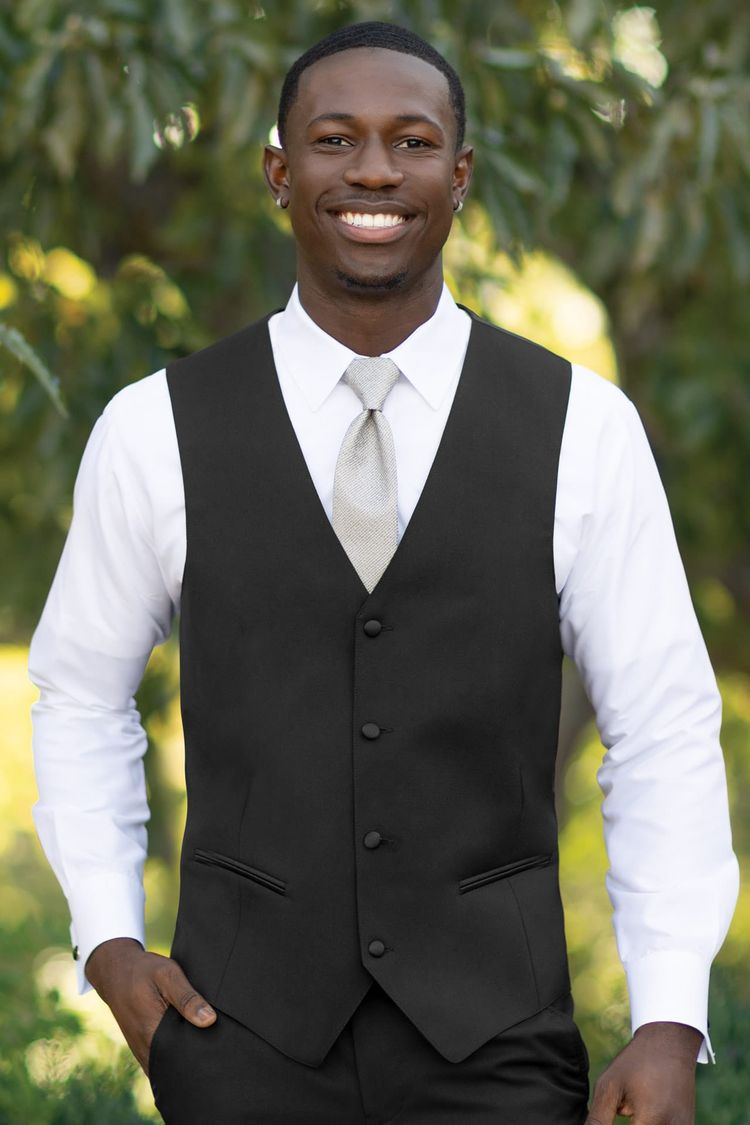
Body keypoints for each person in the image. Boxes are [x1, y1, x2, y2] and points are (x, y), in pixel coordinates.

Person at [28, 20, 738, 1125]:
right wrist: (110, 944)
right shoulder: (153, 431)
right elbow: (77, 692)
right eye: (333, 138)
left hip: (497, 1050)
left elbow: (664, 726)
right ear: (279, 171)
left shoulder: (583, 430)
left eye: (411, 142)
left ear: (459, 178)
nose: (371, 170)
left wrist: (668, 1017)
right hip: (235, 1041)